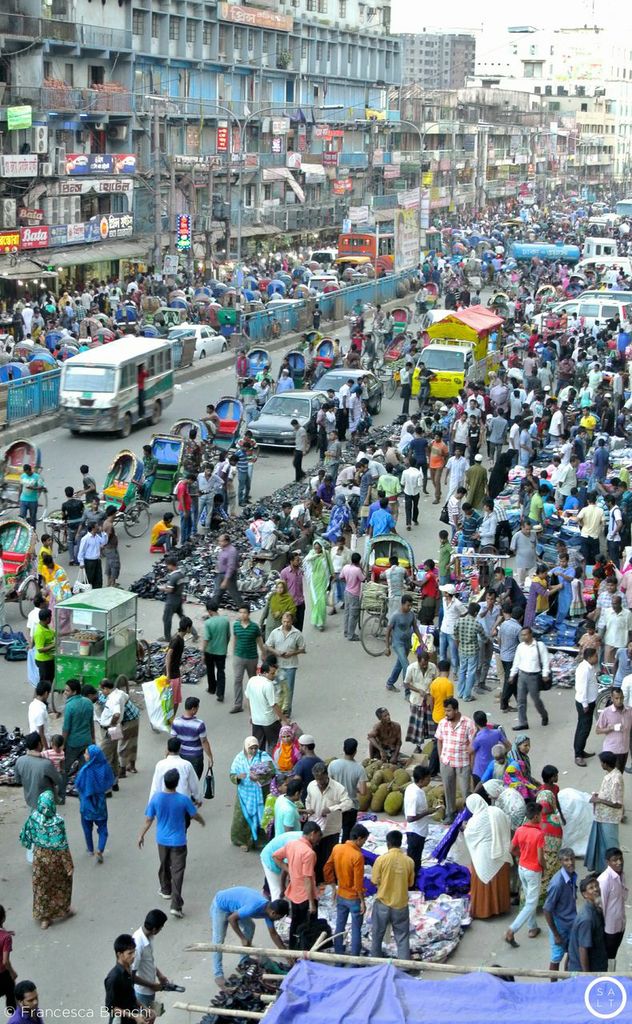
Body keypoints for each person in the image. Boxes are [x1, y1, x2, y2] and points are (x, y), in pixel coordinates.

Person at [138, 768, 204, 919]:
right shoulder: (183, 799)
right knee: (178, 871)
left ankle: (165, 889)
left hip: (162, 840)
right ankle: (176, 905)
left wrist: (141, 835)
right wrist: (202, 822)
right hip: (179, 841)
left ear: (164, 782)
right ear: (177, 783)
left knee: (164, 863)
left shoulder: (156, 798)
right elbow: (194, 815)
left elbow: (149, 819)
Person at [210, 888, 288, 987]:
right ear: (273, 913)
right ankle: (218, 974)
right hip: (221, 906)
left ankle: (243, 960)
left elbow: (274, 934)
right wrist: (242, 938)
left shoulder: (269, 911)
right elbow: (231, 919)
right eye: (279, 918)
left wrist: (287, 955)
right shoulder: (254, 907)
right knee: (218, 941)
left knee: (250, 926)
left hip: (237, 908)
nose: (278, 920)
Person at [19, 791, 74, 931]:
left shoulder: (34, 818)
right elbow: (62, 845)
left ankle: (45, 918)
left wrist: (31, 842)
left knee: (41, 888)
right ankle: (63, 909)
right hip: (56, 862)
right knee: (61, 885)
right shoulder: (58, 822)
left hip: (39, 861)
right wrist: (68, 864)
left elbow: (25, 833)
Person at [273, 822, 322, 948]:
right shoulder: (309, 853)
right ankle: (306, 953)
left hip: (294, 893)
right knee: (308, 927)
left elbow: (276, 856)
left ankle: (293, 949)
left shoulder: (292, 844)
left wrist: (289, 870)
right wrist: (311, 903)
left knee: (295, 923)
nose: (319, 840)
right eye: (318, 836)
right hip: (306, 896)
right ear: (313, 834)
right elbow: (307, 879)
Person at [464, 793, 512, 920]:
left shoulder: (474, 821)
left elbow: (469, 835)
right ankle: (500, 907)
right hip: (501, 852)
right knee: (499, 882)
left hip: (484, 856)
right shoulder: (496, 811)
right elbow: (507, 824)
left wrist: (464, 827)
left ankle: (484, 911)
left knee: (484, 882)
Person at [323, 823, 369, 956]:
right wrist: (362, 901)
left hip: (341, 895)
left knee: (339, 927)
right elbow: (358, 882)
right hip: (354, 898)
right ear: (359, 838)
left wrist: (333, 886)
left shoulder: (337, 848)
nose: (364, 844)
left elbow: (327, 868)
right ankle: (354, 961)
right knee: (356, 930)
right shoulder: (357, 856)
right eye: (364, 841)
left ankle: (338, 957)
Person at [504, 801, 545, 947]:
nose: (541, 817)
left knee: (529, 898)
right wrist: (544, 867)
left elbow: (511, 849)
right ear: (535, 817)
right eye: (540, 814)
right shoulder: (539, 834)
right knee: (531, 903)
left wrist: (521, 855)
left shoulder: (520, 830)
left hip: (522, 868)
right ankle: (512, 930)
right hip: (533, 870)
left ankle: (533, 927)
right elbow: (540, 857)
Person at [370, 830, 415, 959]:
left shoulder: (381, 859)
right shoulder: (409, 861)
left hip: (382, 902)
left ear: (388, 843)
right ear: (400, 843)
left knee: (377, 935)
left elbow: (374, 880)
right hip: (400, 904)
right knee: (402, 937)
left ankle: (375, 962)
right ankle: (404, 965)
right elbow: (410, 883)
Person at [305, 762, 353, 882]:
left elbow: (348, 803)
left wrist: (331, 809)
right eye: (317, 779)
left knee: (329, 859)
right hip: (315, 829)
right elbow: (308, 799)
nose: (319, 782)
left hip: (331, 830)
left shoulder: (338, 788)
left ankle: (329, 882)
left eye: (321, 779)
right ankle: (317, 881)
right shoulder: (311, 786)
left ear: (327, 775)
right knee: (315, 857)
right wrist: (308, 809)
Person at [229, 737, 274, 850]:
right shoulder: (239, 758)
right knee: (242, 818)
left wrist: (260, 777)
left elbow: (272, 771)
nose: (254, 751)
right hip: (244, 794)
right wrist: (238, 777)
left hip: (260, 793)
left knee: (262, 817)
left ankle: (260, 841)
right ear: (246, 747)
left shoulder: (263, 756)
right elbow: (232, 775)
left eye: (255, 748)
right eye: (251, 748)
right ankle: (242, 841)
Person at [436, 698, 476, 824]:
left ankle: (469, 816)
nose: (446, 713)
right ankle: (450, 813)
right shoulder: (443, 723)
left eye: (448, 711)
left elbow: (472, 744)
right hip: (446, 761)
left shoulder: (468, 723)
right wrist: (440, 757)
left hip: (463, 763)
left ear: (456, 710)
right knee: (448, 789)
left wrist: (472, 764)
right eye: (445, 711)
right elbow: (439, 740)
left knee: (466, 791)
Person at [74, 745, 115, 864]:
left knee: (87, 828)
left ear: (92, 756)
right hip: (100, 803)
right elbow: (109, 781)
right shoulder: (105, 767)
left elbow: (78, 785)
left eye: (86, 754)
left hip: (86, 804)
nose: (84, 755)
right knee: (103, 828)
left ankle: (90, 849)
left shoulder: (85, 770)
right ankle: (100, 850)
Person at [585, 752, 624, 872]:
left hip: (609, 818)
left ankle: (616, 872)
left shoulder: (616, 779)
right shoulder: (610, 775)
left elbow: (617, 803)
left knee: (611, 846)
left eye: (601, 762)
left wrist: (599, 799)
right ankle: (602, 871)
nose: (601, 764)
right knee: (601, 845)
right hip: (602, 816)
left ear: (605, 764)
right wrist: (599, 795)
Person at [104, 934, 155, 1024]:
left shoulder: (128, 969)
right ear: (119, 954)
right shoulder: (113, 978)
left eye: (134, 952)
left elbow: (130, 996)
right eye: (130, 953)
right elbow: (110, 1008)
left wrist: (145, 1008)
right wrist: (133, 1016)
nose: (134, 956)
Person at [543, 847, 578, 975]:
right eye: (566, 860)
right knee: (556, 957)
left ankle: (566, 982)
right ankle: (553, 987)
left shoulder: (573, 875)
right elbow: (547, 910)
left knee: (571, 953)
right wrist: (556, 934)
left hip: (571, 923)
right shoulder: (557, 883)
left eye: (572, 859)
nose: (570, 863)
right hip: (560, 926)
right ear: (561, 862)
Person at [508, 626, 550, 730]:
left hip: (534, 677)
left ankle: (544, 715)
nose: (523, 637)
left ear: (531, 634)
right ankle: (523, 723)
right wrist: (512, 675)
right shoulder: (520, 647)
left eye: (525, 634)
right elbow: (516, 662)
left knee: (536, 700)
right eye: (522, 635)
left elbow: (545, 661)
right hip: (522, 676)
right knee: (521, 701)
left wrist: (545, 674)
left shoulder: (539, 646)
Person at [265, 612, 306, 718]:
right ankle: (277, 709)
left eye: (288, 622)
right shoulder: (275, 632)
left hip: (291, 665)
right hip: (278, 666)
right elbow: (268, 645)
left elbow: (302, 649)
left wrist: (292, 653)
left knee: (289, 688)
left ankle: (287, 710)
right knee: (277, 687)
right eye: (284, 621)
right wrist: (276, 652)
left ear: (292, 622)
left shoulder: (297, 633)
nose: (286, 624)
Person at [327, 738, 368, 842]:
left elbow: (328, 784)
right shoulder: (359, 768)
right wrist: (354, 787)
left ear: (343, 749)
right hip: (350, 806)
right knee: (347, 835)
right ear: (355, 751)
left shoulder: (333, 764)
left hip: (335, 804)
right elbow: (363, 792)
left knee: (333, 833)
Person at [567, 874, 608, 973]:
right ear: (585, 894)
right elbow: (583, 949)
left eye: (596, 886)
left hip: (598, 963)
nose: (595, 889)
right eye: (591, 888)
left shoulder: (596, 909)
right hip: (587, 971)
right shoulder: (587, 919)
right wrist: (587, 977)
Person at [385, 593, 424, 692]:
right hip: (398, 644)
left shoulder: (411, 614)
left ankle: (390, 683)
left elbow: (415, 627)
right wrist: (387, 647)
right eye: (408, 605)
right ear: (402, 604)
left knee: (400, 664)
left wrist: (421, 640)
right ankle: (407, 692)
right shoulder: (395, 615)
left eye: (411, 605)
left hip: (407, 643)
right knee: (406, 665)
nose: (409, 607)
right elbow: (388, 630)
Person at [231, 603, 265, 715]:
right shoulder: (236, 626)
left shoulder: (254, 627)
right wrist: (233, 653)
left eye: (244, 612)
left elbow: (259, 641)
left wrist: (263, 653)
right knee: (237, 680)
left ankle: (254, 703)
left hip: (252, 657)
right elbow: (235, 639)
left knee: (253, 681)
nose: (242, 615)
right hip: (239, 657)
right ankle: (237, 704)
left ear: (249, 614)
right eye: (240, 612)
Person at [245, 657, 285, 751]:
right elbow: (274, 705)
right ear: (264, 673)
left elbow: (248, 700)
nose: (274, 676)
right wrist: (284, 720)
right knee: (275, 745)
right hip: (269, 721)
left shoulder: (252, 680)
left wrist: (251, 715)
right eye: (272, 673)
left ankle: (259, 764)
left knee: (258, 747)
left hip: (256, 720)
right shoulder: (268, 684)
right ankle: (272, 763)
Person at [14, 732, 62, 808]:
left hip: (30, 800)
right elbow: (58, 781)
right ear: (39, 744)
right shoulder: (46, 764)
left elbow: (18, 780)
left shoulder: (19, 761)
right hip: (46, 803)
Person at [132, 910, 169, 1010]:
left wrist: (159, 974)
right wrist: (152, 985)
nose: (161, 929)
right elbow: (131, 976)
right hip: (142, 993)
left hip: (149, 990)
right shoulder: (138, 945)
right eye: (161, 927)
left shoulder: (149, 937)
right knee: (145, 1019)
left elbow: (148, 961)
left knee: (151, 1015)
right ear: (154, 929)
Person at [598, 847, 628, 966]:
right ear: (607, 862)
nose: (619, 862)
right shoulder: (604, 880)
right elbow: (602, 906)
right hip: (609, 929)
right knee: (608, 957)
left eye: (620, 858)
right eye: (615, 860)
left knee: (613, 955)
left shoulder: (621, 874)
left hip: (620, 924)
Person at [171, 697, 213, 780]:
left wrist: (168, 755)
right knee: (194, 782)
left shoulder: (176, 722)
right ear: (193, 709)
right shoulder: (199, 724)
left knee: (182, 780)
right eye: (197, 707)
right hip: (196, 758)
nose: (198, 709)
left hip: (181, 756)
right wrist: (210, 756)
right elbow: (204, 742)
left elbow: (172, 741)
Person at [404, 649, 438, 751]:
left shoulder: (432, 667)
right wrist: (418, 690)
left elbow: (436, 681)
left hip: (429, 699)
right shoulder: (411, 668)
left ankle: (434, 743)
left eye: (426, 663)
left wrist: (430, 694)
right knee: (418, 725)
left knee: (432, 721)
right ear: (418, 661)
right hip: (416, 700)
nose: (424, 666)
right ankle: (418, 746)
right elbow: (406, 684)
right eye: (422, 664)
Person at [404, 765, 433, 874]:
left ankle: (414, 880)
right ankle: (411, 884)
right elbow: (410, 818)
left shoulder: (412, 787)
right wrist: (428, 812)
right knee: (413, 861)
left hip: (420, 830)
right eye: (428, 779)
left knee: (416, 860)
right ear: (421, 780)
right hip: (416, 832)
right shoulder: (414, 795)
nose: (430, 780)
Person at [596, 686, 632, 772]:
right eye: (616, 698)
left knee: (620, 774)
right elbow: (597, 730)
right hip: (611, 750)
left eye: (621, 698)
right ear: (612, 698)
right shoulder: (606, 712)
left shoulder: (629, 711)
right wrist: (610, 728)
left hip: (624, 749)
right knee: (613, 776)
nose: (619, 701)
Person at [574, 647, 599, 767]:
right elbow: (581, 688)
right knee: (583, 729)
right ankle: (578, 755)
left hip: (589, 701)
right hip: (585, 703)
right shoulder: (584, 669)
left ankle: (580, 750)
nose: (597, 658)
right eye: (595, 656)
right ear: (589, 657)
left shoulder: (590, 667)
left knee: (583, 727)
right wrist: (584, 704)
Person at [201, 600, 231, 701]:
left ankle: (212, 688)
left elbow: (206, 639)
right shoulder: (225, 621)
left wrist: (202, 653)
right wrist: (225, 646)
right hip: (221, 651)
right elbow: (228, 636)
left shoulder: (208, 623)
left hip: (210, 651)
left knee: (210, 670)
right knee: (221, 671)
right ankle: (220, 693)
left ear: (209, 611)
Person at [304, 541, 332, 632]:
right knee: (315, 602)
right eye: (315, 548)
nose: (317, 550)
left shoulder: (325, 553)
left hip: (323, 580)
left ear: (321, 547)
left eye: (318, 548)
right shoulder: (311, 553)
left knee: (322, 601)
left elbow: (330, 564)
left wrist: (332, 574)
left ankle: (321, 622)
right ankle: (317, 621)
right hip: (314, 581)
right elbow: (307, 560)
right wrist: (316, 556)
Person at [32, 609, 56, 714]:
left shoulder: (46, 627)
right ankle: (42, 704)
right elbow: (40, 649)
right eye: (50, 617)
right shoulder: (39, 632)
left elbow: (55, 633)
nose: (51, 619)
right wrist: (54, 645)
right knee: (45, 684)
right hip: (43, 661)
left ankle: (39, 701)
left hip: (50, 659)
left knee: (47, 682)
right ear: (47, 619)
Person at [160, 556, 185, 644]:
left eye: (167, 565)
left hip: (171, 601)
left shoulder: (173, 576)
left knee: (166, 619)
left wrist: (162, 588)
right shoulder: (181, 574)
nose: (167, 567)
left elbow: (170, 589)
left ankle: (167, 638)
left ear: (171, 565)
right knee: (183, 617)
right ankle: (194, 633)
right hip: (179, 599)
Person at [213, 534, 243, 609]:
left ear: (226, 542)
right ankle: (212, 610)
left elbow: (231, 567)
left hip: (229, 576)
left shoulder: (232, 551)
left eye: (220, 541)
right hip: (220, 574)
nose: (219, 543)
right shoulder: (223, 549)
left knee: (234, 594)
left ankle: (243, 610)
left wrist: (226, 580)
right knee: (217, 593)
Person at [280, 551, 306, 631]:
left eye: (299, 560)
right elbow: (282, 589)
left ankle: (298, 642)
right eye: (297, 560)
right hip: (290, 604)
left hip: (301, 603)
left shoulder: (300, 571)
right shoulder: (284, 573)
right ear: (291, 561)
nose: (299, 561)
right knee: (290, 626)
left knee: (300, 626)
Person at [77, 521, 107, 589]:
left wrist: (103, 533)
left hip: (97, 560)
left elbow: (104, 542)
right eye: (97, 526)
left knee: (98, 579)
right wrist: (81, 562)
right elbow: (81, 551)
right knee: (89, 579)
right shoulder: (85, 539)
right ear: (93, 528)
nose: (98, 527)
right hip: (89, 562)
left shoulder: (97, 536)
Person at [0, 905, 16, 1013]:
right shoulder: (5, 938)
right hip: (2, 974)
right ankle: (14, 1016)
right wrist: (12, 972)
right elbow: (5, 961)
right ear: (3, 918)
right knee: (11, 994)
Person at [19, 463, 43, 528]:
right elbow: (20, 487)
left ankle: (33, 531)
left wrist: (33, 488)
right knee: (21, 516)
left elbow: (41, 487)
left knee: (33, 517)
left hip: (33, 501)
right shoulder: (22, 476)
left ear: (30, 470)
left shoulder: (37, 477)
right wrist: (19, 498)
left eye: (27, 473)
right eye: (25, 472)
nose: (26, 474)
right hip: (23, 500)